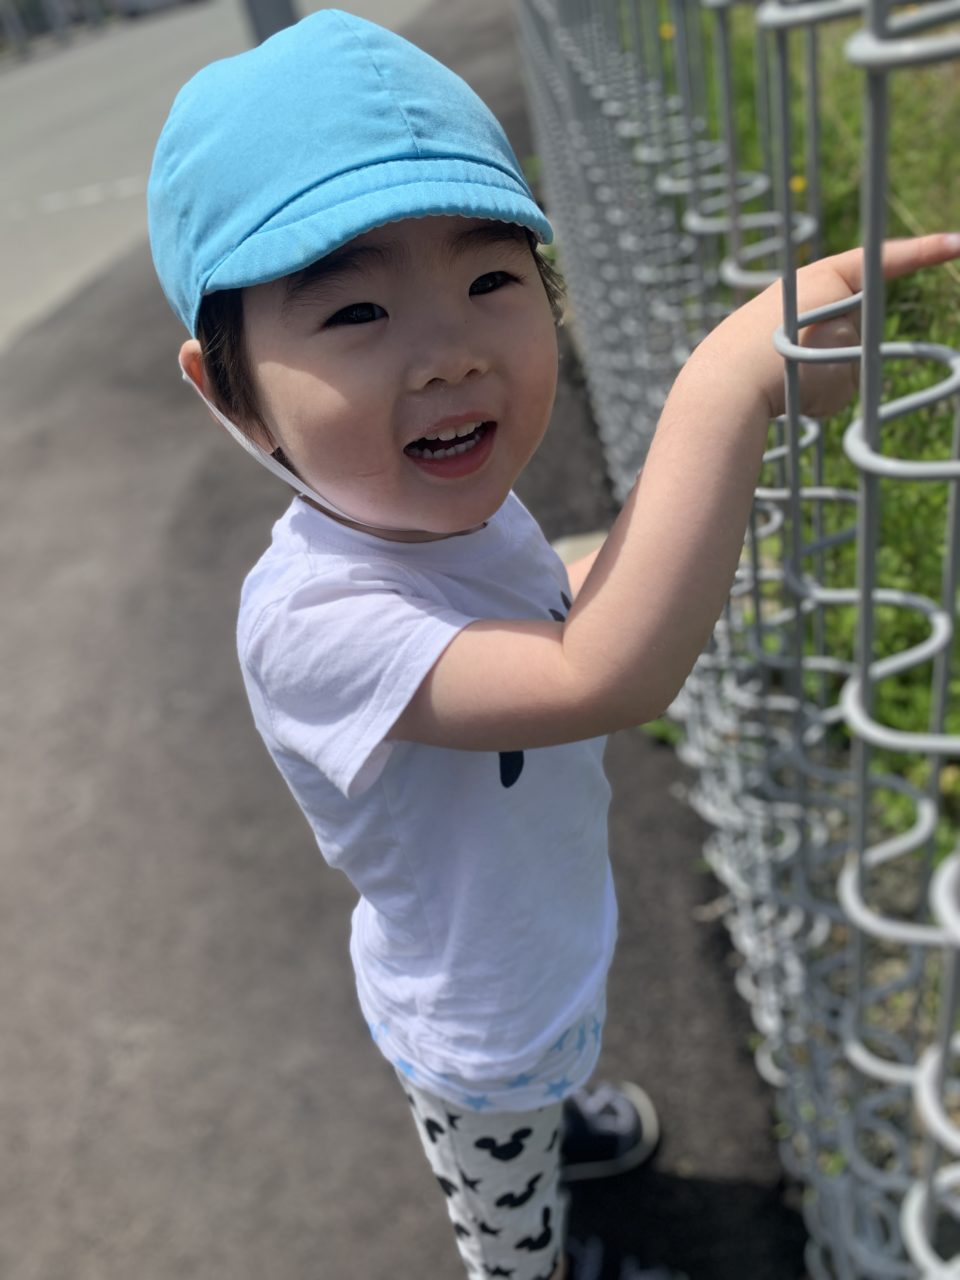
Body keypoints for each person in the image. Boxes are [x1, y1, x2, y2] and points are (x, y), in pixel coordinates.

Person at [147, 11, 960, 1280]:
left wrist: (674, 546)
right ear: (229, 391)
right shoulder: (313, 620)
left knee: (559, 1036)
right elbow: (598, 671)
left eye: (490, 281)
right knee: (511, 1230)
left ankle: (564, 1116)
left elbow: (545, 601)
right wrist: (726, 388)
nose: (451, 354)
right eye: (356, 309)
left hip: (540, 930)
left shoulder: (437, 505)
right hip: (473, 1021)